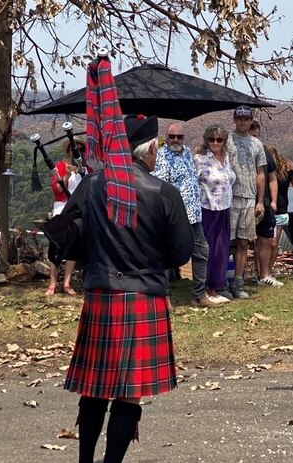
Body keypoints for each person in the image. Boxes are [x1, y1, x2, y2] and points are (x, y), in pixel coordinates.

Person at [62, 113, 194, 463]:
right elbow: (181, 251)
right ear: (150, 149)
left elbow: (65, 238)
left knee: (94, 387)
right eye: (158, 148)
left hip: (101, 293)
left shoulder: (92, 185)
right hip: (145, 295)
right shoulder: (165, 193)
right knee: (128, 393)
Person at [154, 123, 223, 307]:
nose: (175, 140)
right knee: (166, 255)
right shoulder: (161, 156)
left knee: (202, 251)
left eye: (179, 137)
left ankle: (198, 296)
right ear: (166, 137)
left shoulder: (187, 152)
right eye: (172, 136)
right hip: (173, 215)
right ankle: (164, 297)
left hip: (193, 213)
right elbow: (160, 187)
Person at [227, 106, 267, 298]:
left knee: (244, 242)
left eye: (246, 119)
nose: (243, 122)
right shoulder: (226, 140)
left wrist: (260, 201)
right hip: (228, 198)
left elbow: (261, 173)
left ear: (251, 120)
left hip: (249, 197)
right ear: (234, 119)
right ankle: (220, 281)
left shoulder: (257, 144)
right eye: (239, 118)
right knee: (226, 242)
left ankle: (238, 283)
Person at [194, 125, 237, 302]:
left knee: (222, 248)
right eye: (211, 139)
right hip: (207, 208)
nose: (215, 142)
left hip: (225, 208)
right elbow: (194, 183)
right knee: (207, 250)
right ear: (206, 139)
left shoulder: (227, 158)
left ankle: (217, 285)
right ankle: (203, 288)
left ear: (224, 141)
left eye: (219, 139)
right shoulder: (200, 159)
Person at [46, 138, 88, 296]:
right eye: (74, 149)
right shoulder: (60, 167)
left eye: (81, 149)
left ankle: (66, 283)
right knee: (56, 247)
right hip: (61, 211)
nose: (77, 152)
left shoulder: (87, 169)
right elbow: (57, 189)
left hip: (78, 214)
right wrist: (66, 176)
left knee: (73, 248)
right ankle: (52, 283)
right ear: (68, 151)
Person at [263, 144, 293, 274]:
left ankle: (268, 270)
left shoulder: (287, 168)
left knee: (273, 243)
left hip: (281, 209)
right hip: (266, 210)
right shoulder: (262, 169)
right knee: (263, 242)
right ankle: (261, 270)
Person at [248, 120, 282, 287]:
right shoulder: (239, 150)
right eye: (251, 135)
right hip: (245, 199)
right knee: (243, 241)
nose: (254, 138)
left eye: (256, 135)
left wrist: (274, 201)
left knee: (266, 239)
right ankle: (248, 275)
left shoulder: (265, 152)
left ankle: (264, 274)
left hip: (265, 202)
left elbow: (272, 178)